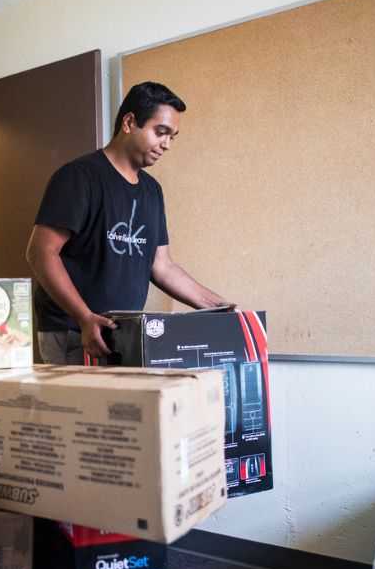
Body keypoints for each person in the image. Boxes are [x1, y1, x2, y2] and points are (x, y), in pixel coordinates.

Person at [26, 81, 234, 365]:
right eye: (160, 132)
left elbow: (162, 266)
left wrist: (217, 308)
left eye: (172, 136)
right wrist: (84, 317)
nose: (167, 145)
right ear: (129, 122)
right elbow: (40, 252)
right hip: (74, 331)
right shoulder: (78, 177)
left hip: (124, 335)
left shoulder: (152, 191)